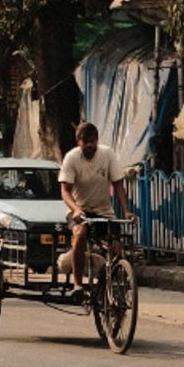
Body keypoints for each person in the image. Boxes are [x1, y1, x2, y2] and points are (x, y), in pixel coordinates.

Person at [60, 122, 132, 298]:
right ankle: (77, 285)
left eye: (93, 141)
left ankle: (110, 283)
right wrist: (76, 209)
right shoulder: (71, 158)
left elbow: (118, 184)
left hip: (104, 211)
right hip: (80, 211)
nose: (90, 145)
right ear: (79, 142)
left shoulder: (107, 154)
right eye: (86, 142)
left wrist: (126, 211)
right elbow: (65, 191)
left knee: (116, 246)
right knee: (80, 234)